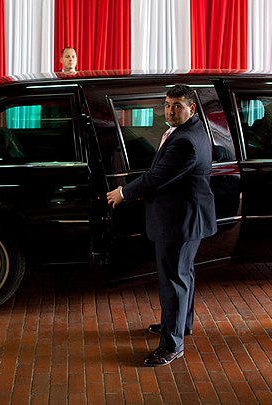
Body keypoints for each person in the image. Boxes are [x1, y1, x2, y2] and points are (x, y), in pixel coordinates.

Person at [106, 84, 216, 366]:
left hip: (179, 221)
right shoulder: (191, 130)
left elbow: (157, 177)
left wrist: (124, 192)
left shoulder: (185, 141)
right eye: (167, 104)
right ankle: (182, 325)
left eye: (177, 106)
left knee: (173, 283)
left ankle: (172, 345)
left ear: (191, 108)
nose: (170, 111)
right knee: (184, 276)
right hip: (187, 218)